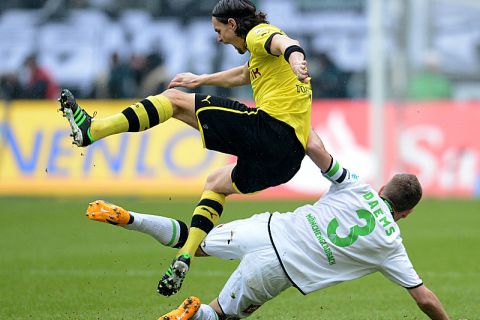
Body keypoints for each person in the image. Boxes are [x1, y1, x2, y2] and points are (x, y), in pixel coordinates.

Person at [58, 0, 324, 296]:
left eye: (219, 30)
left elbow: (286, 43)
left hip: (270, 131)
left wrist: (296, 57)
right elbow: (246, 74)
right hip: (287, 162)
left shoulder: (257, 34)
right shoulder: (261, 58)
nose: (218, 37)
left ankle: (91, 130)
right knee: (216, 183)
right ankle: (185, 254)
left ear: (233, 24)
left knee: (172, 99)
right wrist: (202, 80)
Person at [85, 134, 449, 320]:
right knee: (222, 315)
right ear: (407, 213)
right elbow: (424, 298)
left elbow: (313, 146)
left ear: (384, 187)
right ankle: (194, 313)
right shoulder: (390, 242)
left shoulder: (356, 185)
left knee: (194, 240)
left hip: (267, 227)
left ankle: (132, 218)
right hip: (279, 268)